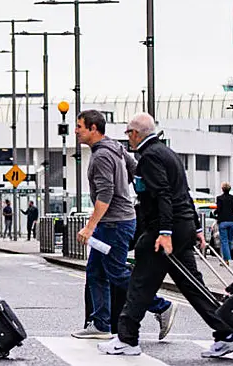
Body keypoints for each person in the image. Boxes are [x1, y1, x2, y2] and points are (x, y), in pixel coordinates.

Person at [99, 113, 233, 358]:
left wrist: (164, 233)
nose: (128, 139)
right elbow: (183, 193)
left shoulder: (149, 157)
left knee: (140, 283)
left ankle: (127, 338)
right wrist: (195, 227)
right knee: (193, 285)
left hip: (164, 232)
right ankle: (226, 333)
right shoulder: (168, 153)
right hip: (182, 227)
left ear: (136, 133)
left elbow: (163, 195)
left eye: (128, 134)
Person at [72, 110, 177, 341]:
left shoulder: (101, 156)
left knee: (117, 273)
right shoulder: (115, 148)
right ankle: (100, 324)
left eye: (79, 126)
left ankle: (162, 306)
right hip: (117, 222)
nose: (76, 131)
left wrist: (89, 227)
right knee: (95, 272)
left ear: (93, 129)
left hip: (114, 225)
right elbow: (136, 170)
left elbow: (105, 194)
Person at [215, 182, 233, 264]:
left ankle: (226, 260)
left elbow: (219, 209)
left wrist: (214, 212)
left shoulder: (219, 198)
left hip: (223, 221)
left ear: (222, 189)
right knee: (230, 240)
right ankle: (232, 256)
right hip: (232, 221)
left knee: (224, 241)